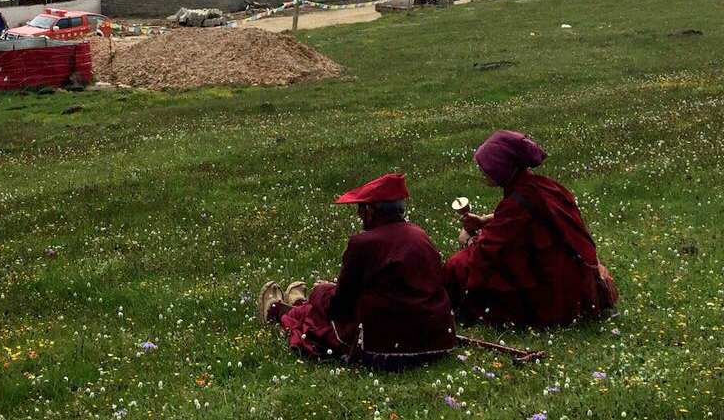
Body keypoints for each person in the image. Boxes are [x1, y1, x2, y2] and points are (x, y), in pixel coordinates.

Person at [258, 173, 457, 369]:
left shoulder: (364, 243)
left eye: (361, 209)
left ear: (371, 210)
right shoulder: (420, 236)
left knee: (320, 311)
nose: (359, 215)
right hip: (436, 339)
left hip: (384, 345)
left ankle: (285, 309)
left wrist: (322, 291)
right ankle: (296, 304)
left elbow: (341, 306)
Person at [444, 130, 617, 328]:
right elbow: (531, 215)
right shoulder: (543, 186)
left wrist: (466, 240)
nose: (482, 171)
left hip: (553, 294)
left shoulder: (517, 202)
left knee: (458, 264)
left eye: (486, 167)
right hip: (577, 281)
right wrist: (485, 220)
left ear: (502, 167)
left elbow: (486, 253)